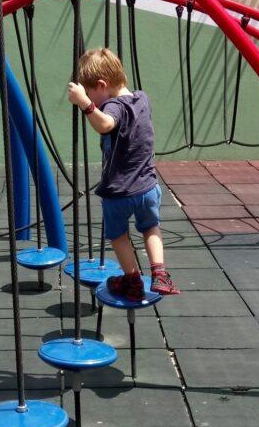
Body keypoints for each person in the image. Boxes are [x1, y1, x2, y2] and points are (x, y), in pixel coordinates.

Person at [67, 47, 180, 300]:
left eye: (92, 94)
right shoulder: (142, 98)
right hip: (149, 188)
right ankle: (160, 274)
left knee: (119, 236)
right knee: (151, 227)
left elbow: (105, 124)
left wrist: (84, 105)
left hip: (119, 192)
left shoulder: (113, 107)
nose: (94, 102)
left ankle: (133, 281)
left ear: (101, 84)